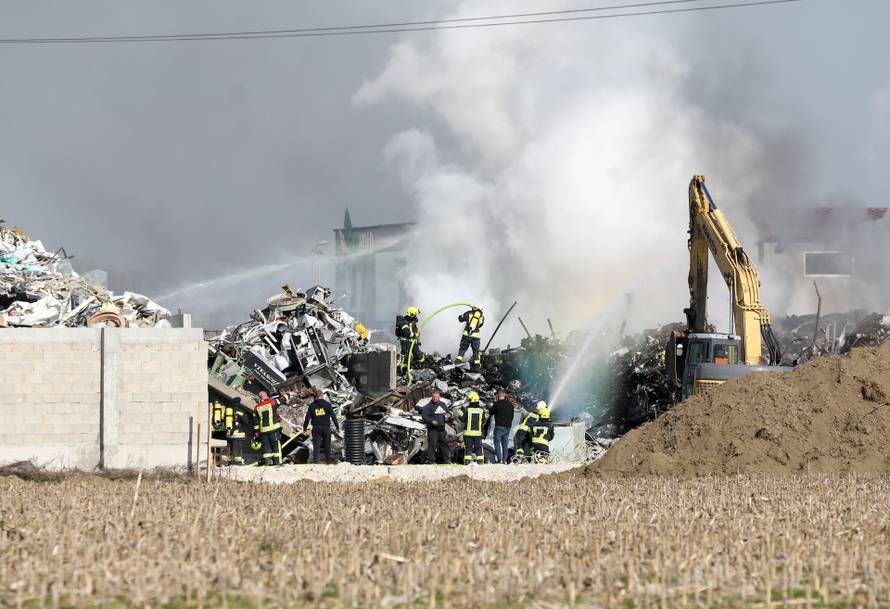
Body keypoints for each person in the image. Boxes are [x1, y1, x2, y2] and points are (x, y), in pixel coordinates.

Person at [303, 389, 340, 464]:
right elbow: (333, 416)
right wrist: (337, 426)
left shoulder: (312, 405)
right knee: (327, 446)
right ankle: (328, 462)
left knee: (316, 446)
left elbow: (307, 418)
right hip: (326, 427)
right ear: (322, 396)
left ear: (315, 397)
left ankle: (316, 463)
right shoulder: (327, 404)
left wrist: (305, 428)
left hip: (316, 428)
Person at [254, 390, 290, 466]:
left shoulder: (257, 407)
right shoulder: (271, 403)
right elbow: (282, 400)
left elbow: (256, 422)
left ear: (260, 398)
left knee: (266, 449)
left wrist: (256, 432)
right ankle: (278, 463)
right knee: (276, 447)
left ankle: (268, 463)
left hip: (263, 431)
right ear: (266, 395)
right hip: (274, 430)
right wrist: (289, 394)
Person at [422, 389, 451, 464]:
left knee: (444, 444)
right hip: (433, 429)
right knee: (432, 445)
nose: (434, 398)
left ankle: (447, 460)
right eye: (433, 397)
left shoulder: (443, 404)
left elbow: (447, 412)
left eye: (436, 397)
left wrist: (449, 415)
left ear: (439, 397)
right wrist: (431, 421)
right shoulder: (429, 406)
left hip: (441, 429)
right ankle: (431, 461)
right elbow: (424, 416)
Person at [395, 306, 425, 374]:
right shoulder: (404, 323)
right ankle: (404, 371)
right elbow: (407, 333)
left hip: (412, 342)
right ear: (411, 314)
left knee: (419, 354)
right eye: (415, 315)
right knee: (406, 357)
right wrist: (415, 335)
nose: (416, 316)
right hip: (405, 342)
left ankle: (422, 368)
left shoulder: (412, 323)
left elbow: (416, 332)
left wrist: (418, 340)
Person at [460, 391, 487, 464]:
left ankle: (467, 461)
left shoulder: (467, 410)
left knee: (468, 448)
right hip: (478, 434)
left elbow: (462, 420)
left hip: (468, 434)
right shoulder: (481, 410)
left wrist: (460, 413)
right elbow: (483, 421)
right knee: (478, 448)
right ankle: (480, 461)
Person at [455, 305, 485, 372]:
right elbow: (480, 325)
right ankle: (477, 368)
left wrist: (460, 316)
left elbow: (460, 319)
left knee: (462, 349)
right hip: (476, 337)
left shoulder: (468, 313)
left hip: (466, 335)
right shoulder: (482, 317)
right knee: (476, 353)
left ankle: (457, 363)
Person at [490, 389, 515, 464]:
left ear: (498, 396)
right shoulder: (510, 405)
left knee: (497, 442)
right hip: (508, 427)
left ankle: (499, 459)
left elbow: (491, 412)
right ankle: (504, 460)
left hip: (499, 426)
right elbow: (512, 416)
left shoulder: (496, 404)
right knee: (505, 443)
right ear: (505, 396)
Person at [223, 398, 249, 466]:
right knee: (238, 448)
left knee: (230, 447)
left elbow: (224, 421)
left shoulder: (228, 411)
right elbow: (246, 421)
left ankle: (227, 461)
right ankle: (238, 462)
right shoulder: (240, 411)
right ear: (239, 403)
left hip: (229, 434)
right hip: (238, 434)